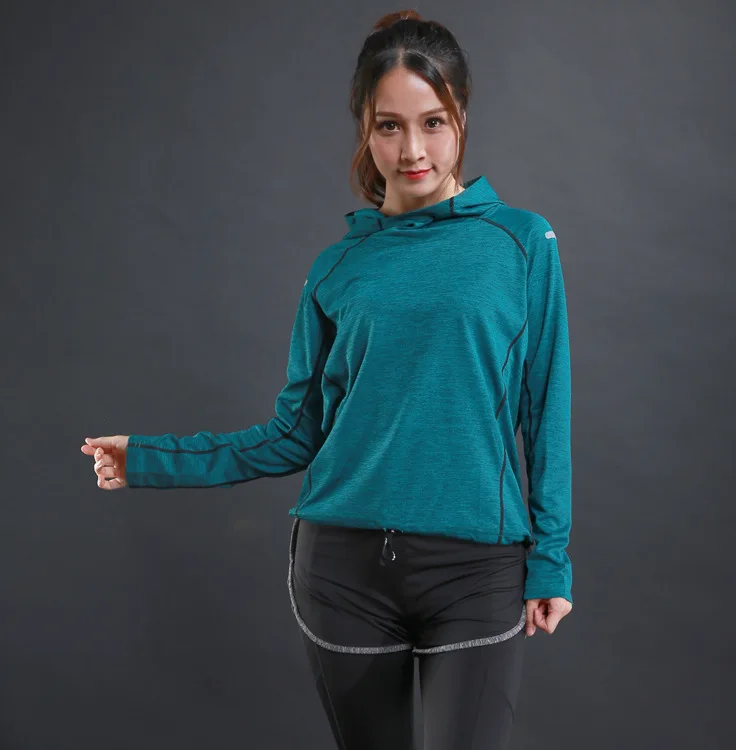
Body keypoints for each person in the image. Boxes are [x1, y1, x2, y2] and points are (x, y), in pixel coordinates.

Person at [80, 9, 573, 749]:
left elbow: (545, 407)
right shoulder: (337, 267)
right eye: (388, 126)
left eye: (433, 122)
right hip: (344, 574)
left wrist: (552, 560)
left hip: (477, 571)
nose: (412, 150)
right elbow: (295, 433)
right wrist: (146, 458)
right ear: (364, 130)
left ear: (463, 117)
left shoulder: (522, 243)